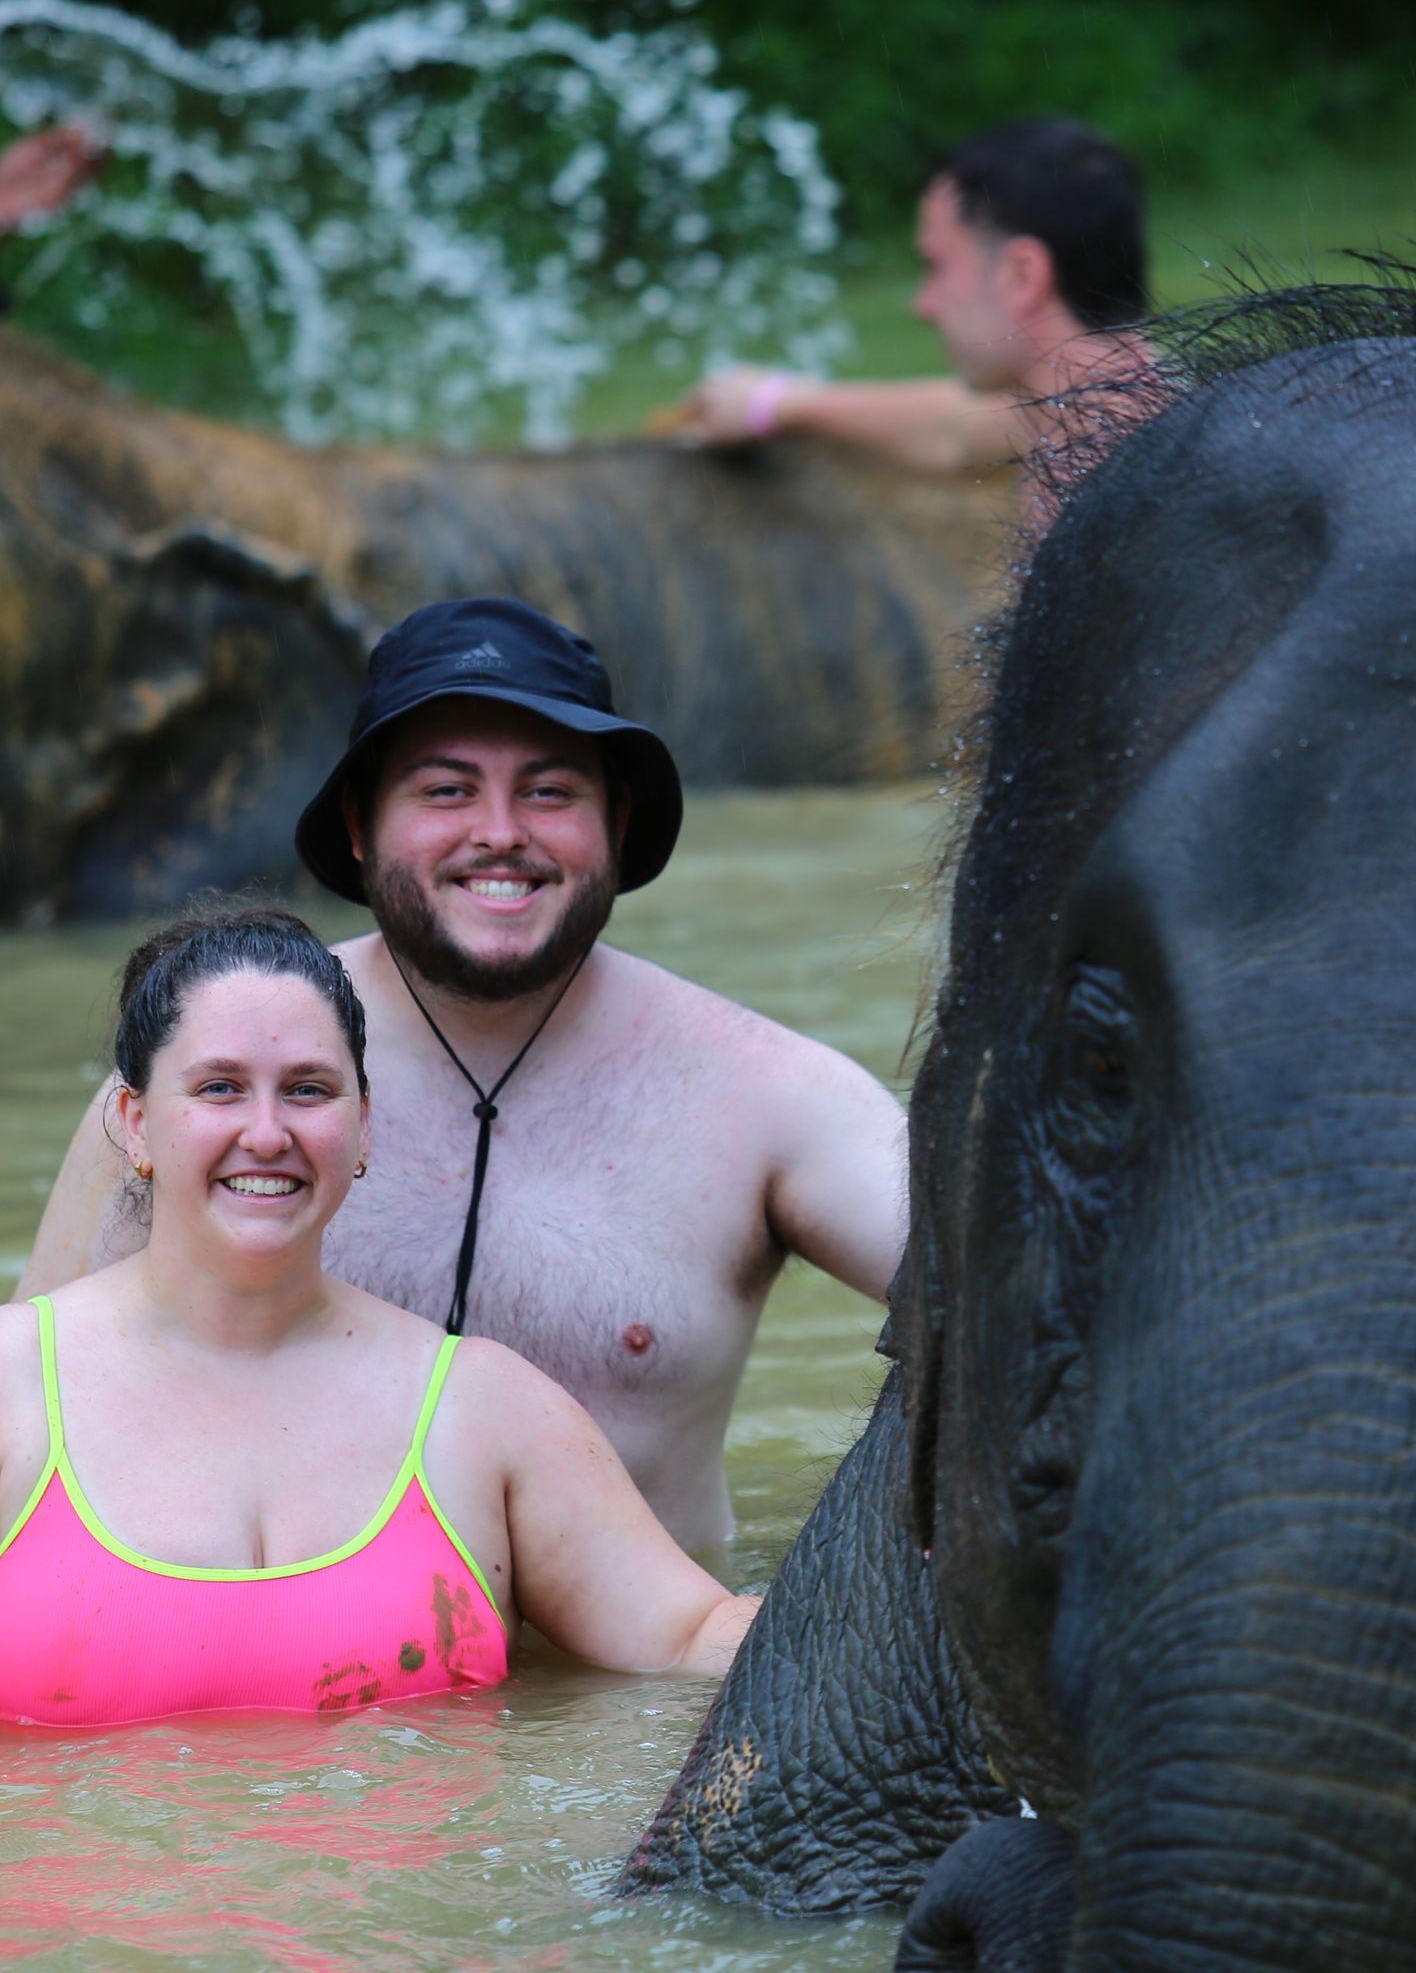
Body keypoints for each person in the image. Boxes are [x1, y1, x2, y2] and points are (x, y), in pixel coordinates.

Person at [21, 596, 908, 1557]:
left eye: (550, 792)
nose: (499, 833)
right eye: (446, 791)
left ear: (616, 819)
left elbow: (1033, 1295)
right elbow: (32, 1411)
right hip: (284, 1694)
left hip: (634, 1693)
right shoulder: (202, 1083)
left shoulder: (766, 1095)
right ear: (360, 824)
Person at [0, 908, 756, 1726]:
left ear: (363, 1124)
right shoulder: (11, 1388)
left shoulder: (483, 1409)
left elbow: (691, 1637)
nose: (266, 1132)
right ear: (136, 1122)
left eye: (308, 1090)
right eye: (219, 1087)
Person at [652, 117, 1149, 479]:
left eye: (937, 267)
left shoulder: (1128, 474)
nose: (923, 306)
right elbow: (951, 430)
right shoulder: (1091, 418)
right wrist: (778, 403)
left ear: (1022, 276)